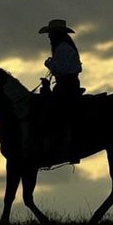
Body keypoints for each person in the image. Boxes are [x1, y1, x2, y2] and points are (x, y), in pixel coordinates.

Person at [37, 18, 82, 162]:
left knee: (50, 110)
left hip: (66, 86)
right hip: (67, 84)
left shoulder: (62, 48)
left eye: (51, 34)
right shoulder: (65, 47)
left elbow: (61, 70)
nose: (49, 37)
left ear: (56, 35)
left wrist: (49, 64)